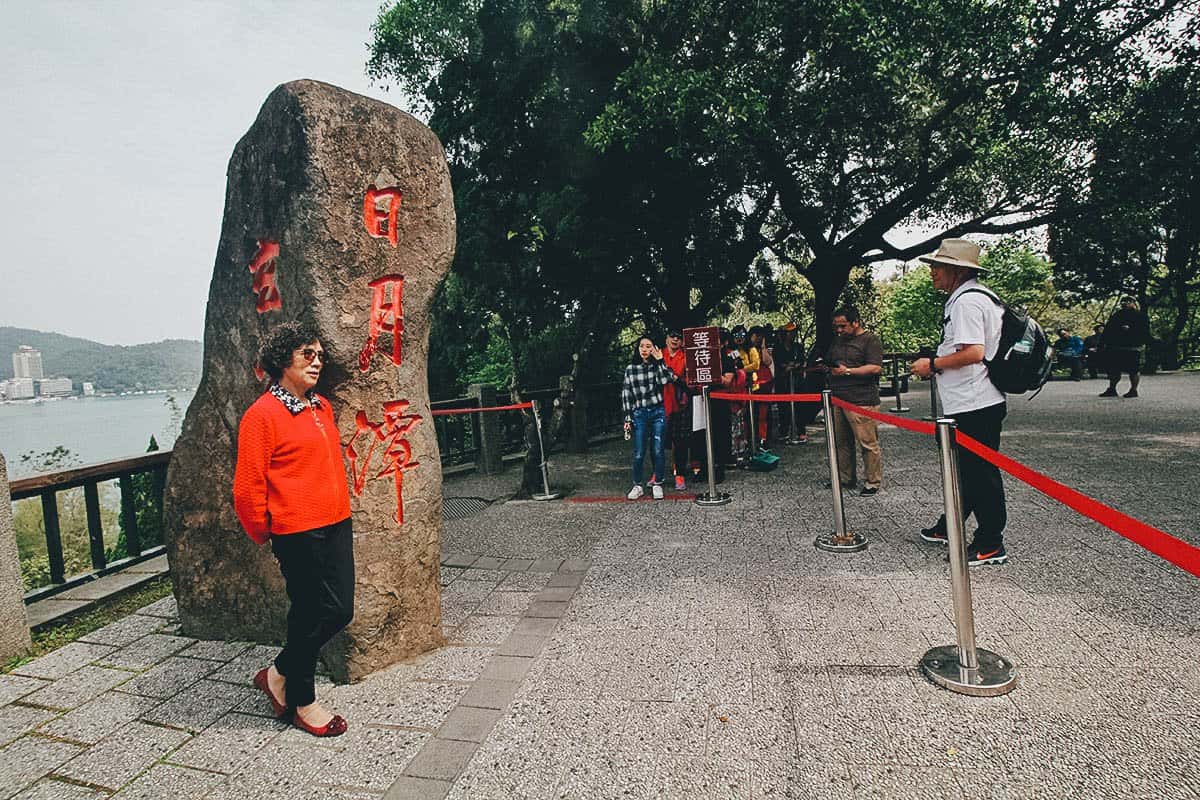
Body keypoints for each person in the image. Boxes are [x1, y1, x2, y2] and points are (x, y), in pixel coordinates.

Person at [233, 321, 353, 737]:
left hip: (336, 522)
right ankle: (303, 702)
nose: (317, 362)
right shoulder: (262, 415)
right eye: (308, 354)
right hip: (296, 531)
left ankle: (279, 672)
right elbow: (247, 488)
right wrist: (269, 531)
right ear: (283, 360)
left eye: (320, 355)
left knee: (340, 609)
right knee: (306, 615)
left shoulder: (320, 408)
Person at [909, 239, 1009, 566]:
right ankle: (949, 524)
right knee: (966, 472)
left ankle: (991, 541)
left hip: (974, 403)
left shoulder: (966, 302)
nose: (932, 272)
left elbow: (973, 352)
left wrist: (932, 365)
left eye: (938, 266)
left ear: (958, 270)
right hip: (972, 400)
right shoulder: (977, 297)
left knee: (980, 474)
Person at [826, 306, 884, 495]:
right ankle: (845, 478)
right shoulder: (837, 340)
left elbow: (875, 368)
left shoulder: (870, 340)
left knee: (867, 442)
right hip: (838, 398)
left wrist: (848, 371)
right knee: (842, 442)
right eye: (837, 326)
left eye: (843, 326)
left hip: (862, 399)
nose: (839, 330)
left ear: (855, 322)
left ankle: (872, 481)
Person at [621, 335, 673, 500]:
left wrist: (660, 361)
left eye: (648, 346)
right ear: (638, 348)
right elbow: (626, 393)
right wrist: (627, 418)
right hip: (639, 413)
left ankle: (658, 483)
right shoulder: (631, 369)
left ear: (653, 349)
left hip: (657, 411)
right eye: (642, 346)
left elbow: (666, 380)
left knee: (658, 449)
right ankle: (637, 485)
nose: (645, 349)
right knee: (639, 452)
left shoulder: (655, 366)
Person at [1099, 297, 1152, 398]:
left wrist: (1131, 330)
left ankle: (1133, 390)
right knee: (1114, 369)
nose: (1125, 303)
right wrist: (1103, 343)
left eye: (1128, 302)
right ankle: (1112, 389)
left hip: (1133, 347)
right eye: (1123, 301)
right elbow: (1108, 330)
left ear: (1133, 303)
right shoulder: (1117, 315)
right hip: (1116, 346)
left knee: (1133, 370)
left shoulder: (1140, 316)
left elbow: (1144, 331)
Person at [661, 329, 690, 489]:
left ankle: (680, 475)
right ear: (666, 338)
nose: (675, 339)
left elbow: (687, 381)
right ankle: (657, 473)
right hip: (660, 403)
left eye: (679, 337)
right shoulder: (658, 355)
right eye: (672, 336)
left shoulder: (686, 357)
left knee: (680, 442)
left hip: (680, 404)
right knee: (658, 441)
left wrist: (675, 378)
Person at [749, 325, 775, 448]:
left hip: (765, 383)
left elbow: (768, 361)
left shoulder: (763, 349)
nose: (758, 338)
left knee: (764, 413)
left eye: (761, 336)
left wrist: (763, 346)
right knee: (751, 412)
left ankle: (763, 438)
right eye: (756, 335)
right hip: (752, 384)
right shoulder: (747, 350)